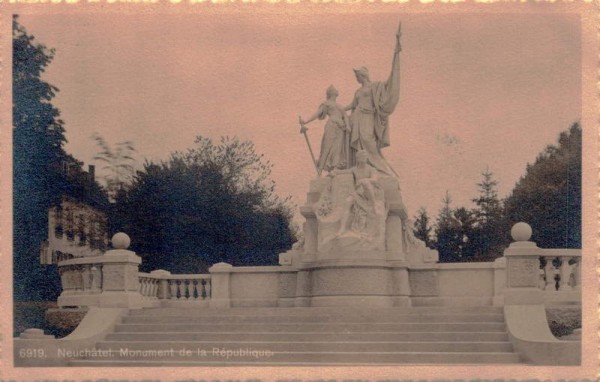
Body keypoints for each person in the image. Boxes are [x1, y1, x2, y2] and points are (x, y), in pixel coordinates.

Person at [346, 23, 402, 176]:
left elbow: (390, 82)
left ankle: (381, 167)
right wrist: (339, 109)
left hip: (368, 116)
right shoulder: (357, 91)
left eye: (357, 75)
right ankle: (362, 167)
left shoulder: (374, 87)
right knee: (359, 144)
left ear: (362, 75)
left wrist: (395, 56)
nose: (356, 78)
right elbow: (352, 105)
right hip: (356, 117)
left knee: (368, 141)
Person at [330, 150, 384, 238]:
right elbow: (344, 172)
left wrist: (363, 180)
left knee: (366, 183)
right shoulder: (354, 169)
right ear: (357, 158)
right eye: (361, 157)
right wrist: (334, 172)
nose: (363, 159)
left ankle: (374, 205)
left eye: (365, 157)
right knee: (347, 201)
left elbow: (374, 179)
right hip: (358, 192)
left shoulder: (371, 169)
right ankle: (342, 228)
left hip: (369, 191)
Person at [300, 85, 350, 176]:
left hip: (341, 129)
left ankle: (335, 170)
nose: (337, 90)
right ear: (331, 92)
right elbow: (317, 114)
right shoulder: (326, 103)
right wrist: (306, 121)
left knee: (337, 149)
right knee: (326, 147)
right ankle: (320, 169)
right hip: (331, 126)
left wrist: (347, 126)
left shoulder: (340, 106)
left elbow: (345, 116)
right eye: (335, 89)